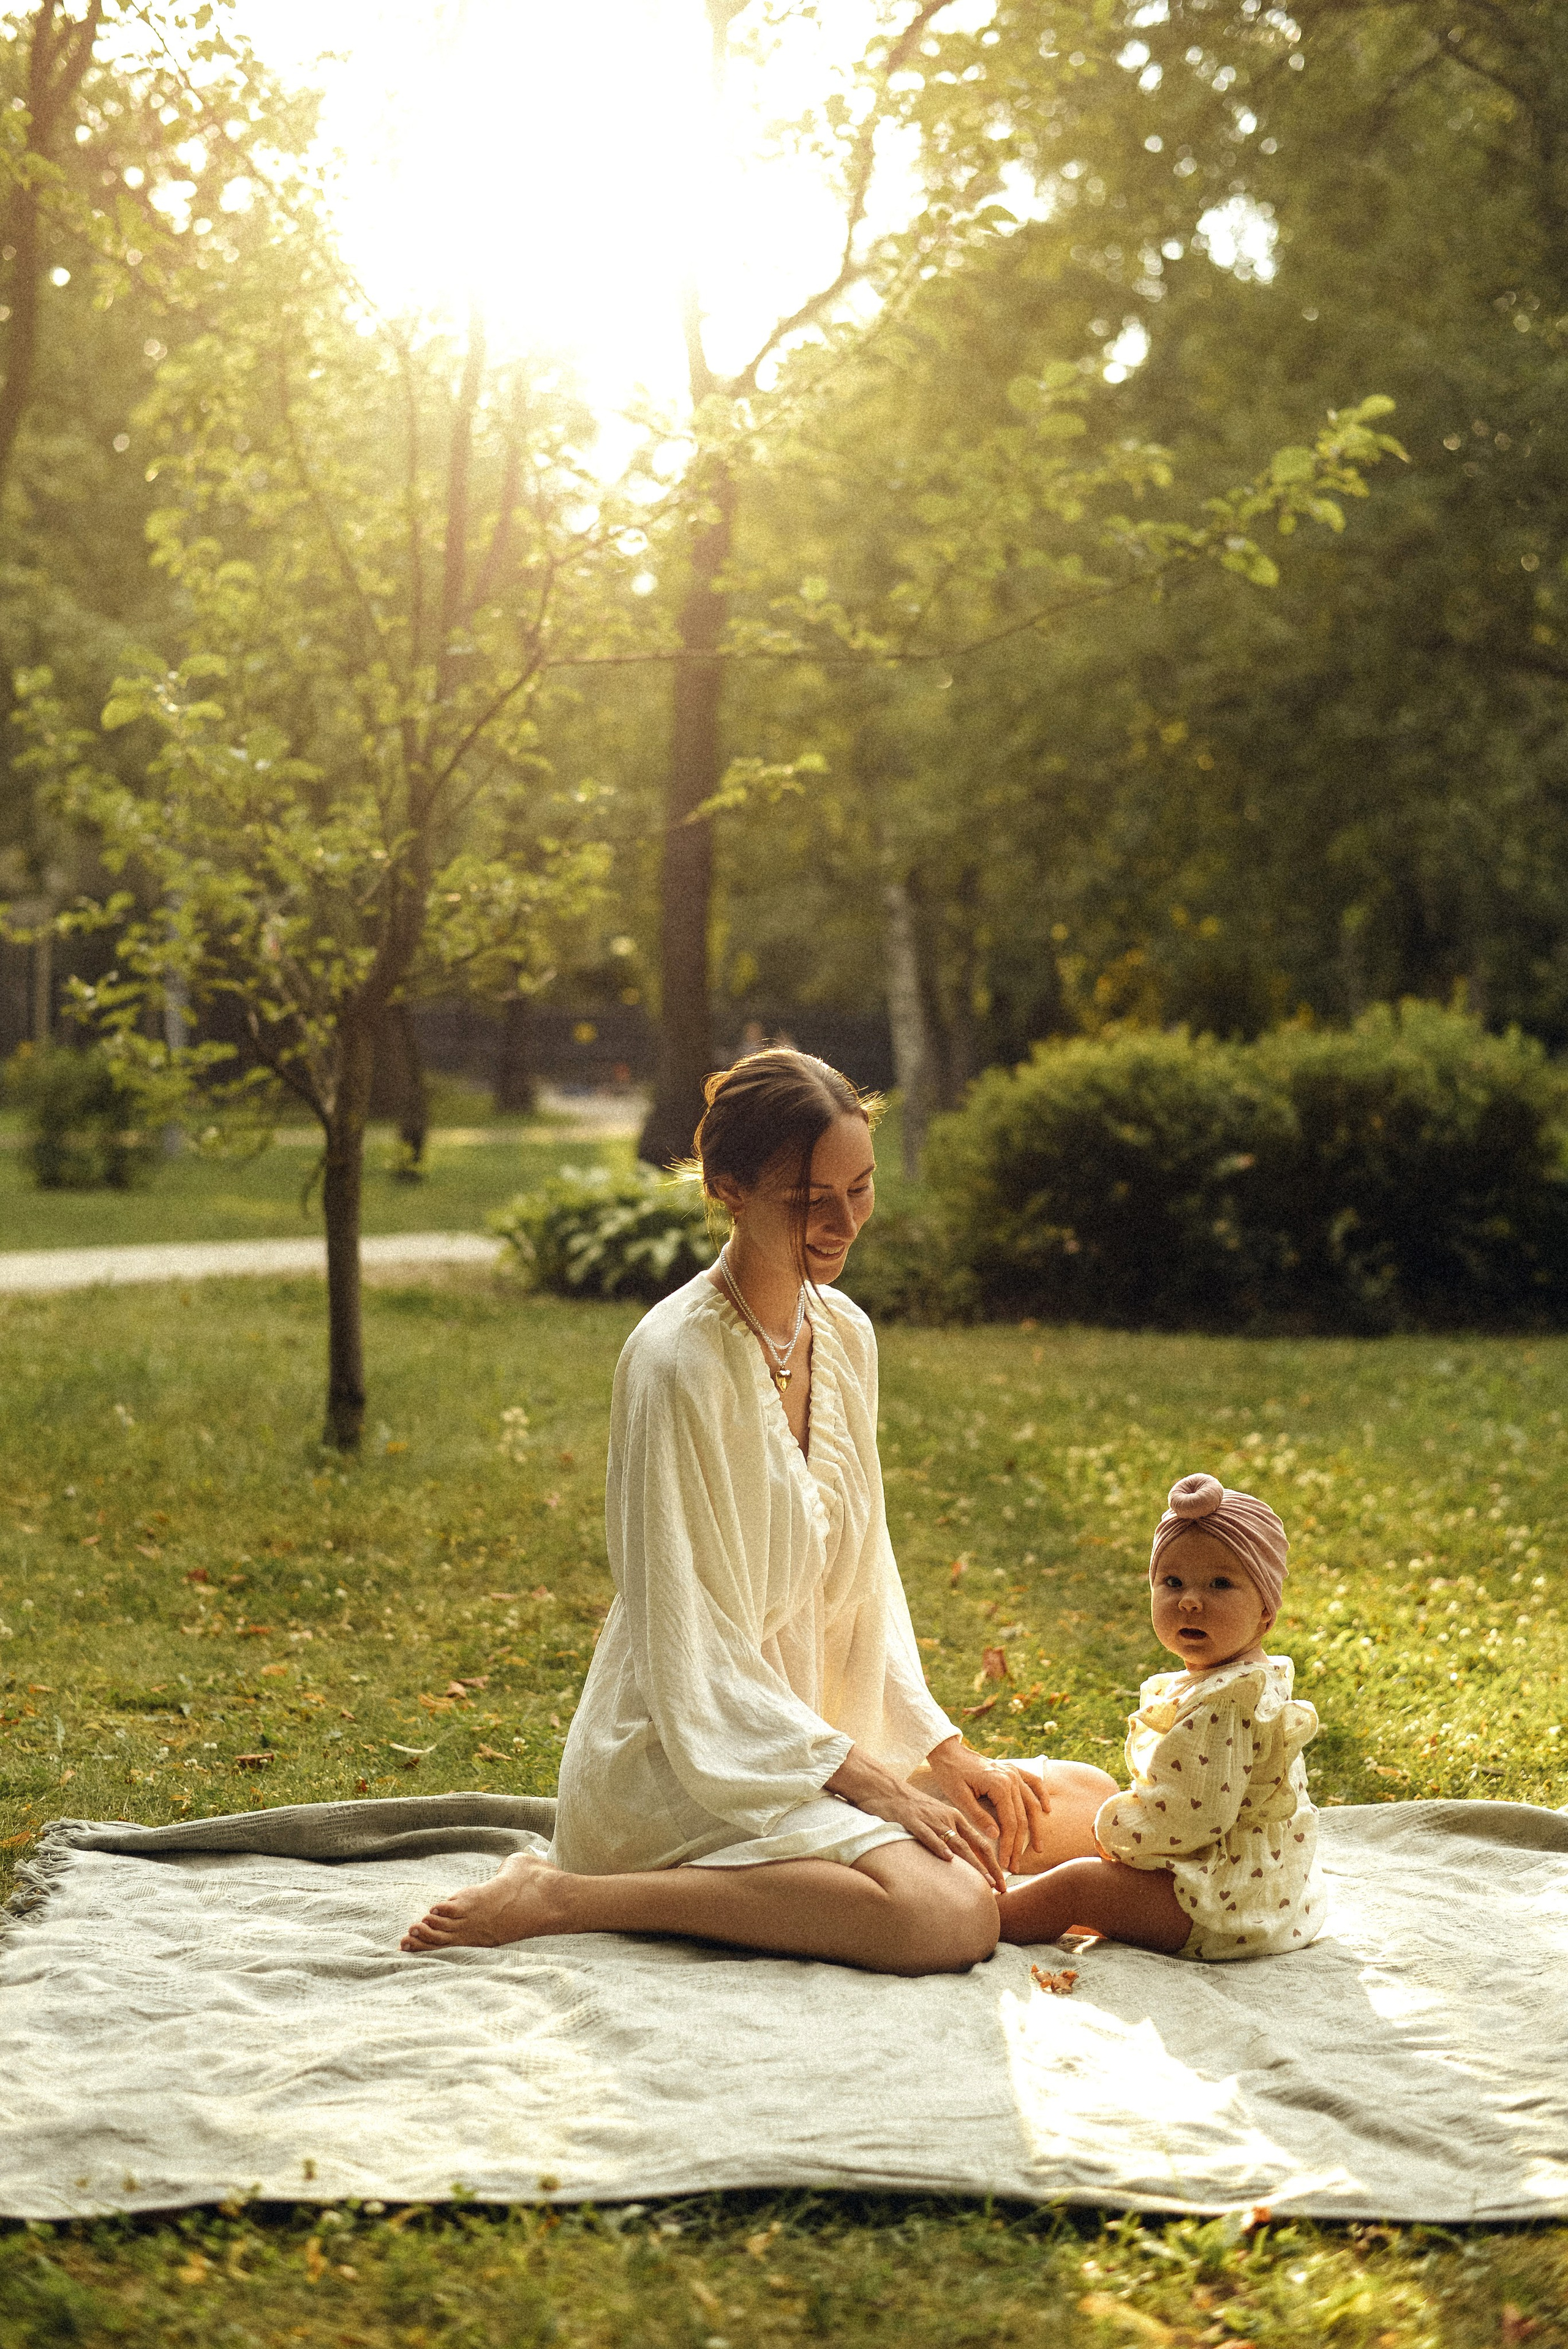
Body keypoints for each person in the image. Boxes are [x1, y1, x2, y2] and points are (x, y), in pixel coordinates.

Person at [402, 1049, 1111, 1972]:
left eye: (859, 1189)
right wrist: (869, 1784)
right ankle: (567, 1893)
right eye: (809, 1197)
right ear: (730, 1188)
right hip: (685, 1757)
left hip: (819, 1731)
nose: (842, 1219)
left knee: (1090, 1807)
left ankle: (861, 1849)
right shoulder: (673, 1363)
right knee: (949, 1918)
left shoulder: (846, 1334)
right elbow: (685, 1642)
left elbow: (866, 1587)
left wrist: (944, 1749)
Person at [997, 1472, 1325, 1959]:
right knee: (1105, 1874)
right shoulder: (1244, 1675)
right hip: (1254, 1891)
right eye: (1172, 1582)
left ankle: (978, 1915)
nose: (1190, 1599)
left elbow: (1193, 1817)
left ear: (1266, 1613)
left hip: (1220, 1909)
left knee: (1080, 1884)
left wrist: (1116, 1835)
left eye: (1220, 1583)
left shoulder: (1225, 1703)